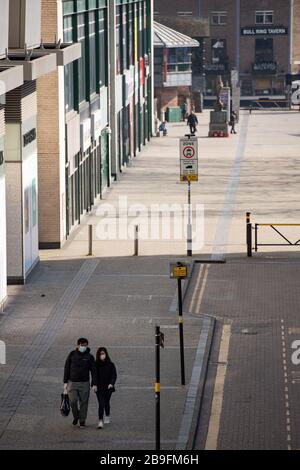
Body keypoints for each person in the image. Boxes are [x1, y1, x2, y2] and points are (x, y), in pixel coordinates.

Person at [63, 338, 97, 428]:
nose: (84, 347)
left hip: (84, 383)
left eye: (86, 345)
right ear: (78, 345)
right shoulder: (72, 354)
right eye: (82, 345)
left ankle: (82, 421)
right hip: (72, 383)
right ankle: (76, 416)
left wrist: (94, 383)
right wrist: (65, 382)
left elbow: (94, 371)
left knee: (84, 402)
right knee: (73, 401)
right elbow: (67, 368)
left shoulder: (89, 357)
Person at [93, 347, 117, 429]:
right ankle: (100, 420)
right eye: (100, 354)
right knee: (101, 403)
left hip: (108, 387)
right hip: (99, 388)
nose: (102, 355)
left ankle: (107, 415)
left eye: (103, 353)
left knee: (107, 402)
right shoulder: (95, 364)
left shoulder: (111, 364)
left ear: (106, 354)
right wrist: (94, 384)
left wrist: (111, 383)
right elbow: (94, 376)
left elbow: (114, 375)